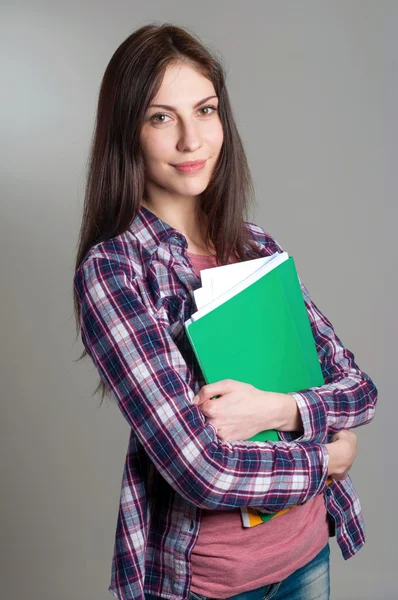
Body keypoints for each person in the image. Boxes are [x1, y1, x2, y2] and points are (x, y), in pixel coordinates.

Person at [73, 23, 378, 600]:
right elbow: (202, 471)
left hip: (308, 556)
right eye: (161, 118)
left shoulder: (256, 246)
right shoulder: (115, 272)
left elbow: (359, 389)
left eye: (205, 110)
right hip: (213, 584)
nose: (192, 140)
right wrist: (325, 460)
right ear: (127, 132)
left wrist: (280, 408)